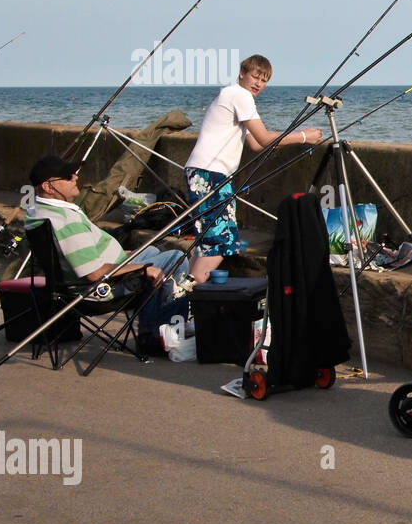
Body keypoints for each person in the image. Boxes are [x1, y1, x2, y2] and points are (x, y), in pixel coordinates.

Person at [184, 54, 323, 283]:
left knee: (208, 241)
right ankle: (190, 292)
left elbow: (256, 144)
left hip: (206, 172)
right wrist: (303, 136)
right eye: (255, 76)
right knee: (221, 242)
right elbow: (265, 138)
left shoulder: (231, 95)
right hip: (210, 174)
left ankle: (184, 294)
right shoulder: (239, 95)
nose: (258, 83)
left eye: (264, 80)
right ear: (242, 74)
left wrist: (292, 138)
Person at [26, 155, 191, 337]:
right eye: (67, 176)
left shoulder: (36, 213)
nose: (75, 177)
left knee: (151, 250)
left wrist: (124, 255)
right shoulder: (66, 221)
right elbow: (94, 273)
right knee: (176, 258)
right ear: (48, 186)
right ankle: (158, 334)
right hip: (97, 291)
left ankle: (154, 326)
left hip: (74, 283)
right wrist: (142, 269)